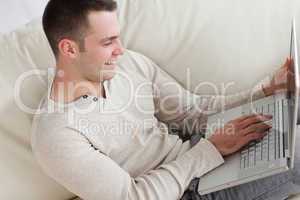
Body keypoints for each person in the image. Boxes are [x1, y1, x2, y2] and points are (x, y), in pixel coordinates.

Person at [30, 0, 299, 199]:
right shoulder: (56, 134)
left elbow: (194, 113)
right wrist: (212, 151)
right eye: (107, 42)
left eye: (118, 37)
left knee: (287, 108)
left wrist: (267, 91)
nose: (120, 50)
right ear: (69, 48)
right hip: (186, 192)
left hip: (202, 152)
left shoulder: (126, 64)